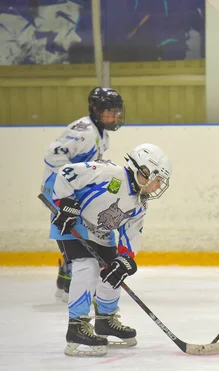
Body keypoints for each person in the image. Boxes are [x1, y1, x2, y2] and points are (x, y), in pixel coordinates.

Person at [49, 143, 172, 357]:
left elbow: (131, 233)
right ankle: (76, 325)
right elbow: (66, 174)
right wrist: (65, 202)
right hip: (73, 223)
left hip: (101, 233)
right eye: (158, 177)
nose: (158, 184)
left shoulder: (140, 203)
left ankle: (105, 320)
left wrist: (125, 258)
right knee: (87, 266)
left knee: (113, 272)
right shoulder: (109, 173)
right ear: (143, 170)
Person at [41, 87, 124, 302]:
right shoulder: (83, 132)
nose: (115, 116)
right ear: (95, 109)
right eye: (110, 111)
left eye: (117, 111)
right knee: (74, 232)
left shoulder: (101, 133)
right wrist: (66, 191)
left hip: (72, 189)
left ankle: (67, 275)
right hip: (60, 189)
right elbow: (53, 156)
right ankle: (70, 276)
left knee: (82, 231)